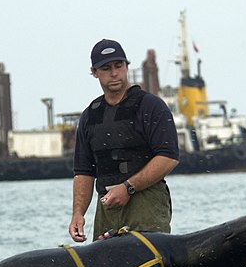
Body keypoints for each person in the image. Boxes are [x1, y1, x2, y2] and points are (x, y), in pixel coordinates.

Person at [69, 38, 180, 243]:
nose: (114, 73)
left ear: (127, 66)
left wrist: (128, 187)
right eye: (106, 68)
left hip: (147, 204)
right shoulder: (89, 117)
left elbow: (168, 157)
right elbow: (84, 172)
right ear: (94, 72)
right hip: (107, 206)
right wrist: (78, 214)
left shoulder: (151, 106)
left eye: (118, 66)